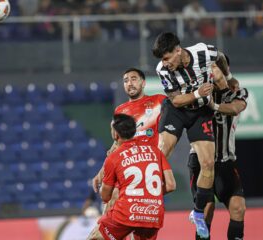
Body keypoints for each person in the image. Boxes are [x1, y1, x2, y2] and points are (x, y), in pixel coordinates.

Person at [152, 32, 231, 238]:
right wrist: (198, 93)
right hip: (177, 111)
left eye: (167, 57)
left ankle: (197, 212)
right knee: (163, 150)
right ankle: (147, 196)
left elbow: (220, 56)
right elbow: (176, 100)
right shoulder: (162, 70)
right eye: (162, 59)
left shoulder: (204, 51)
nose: (164, 63)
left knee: (208, 164)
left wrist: (228, 77)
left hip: (201, 113)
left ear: (178, 50)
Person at [92, 68, 176, 204]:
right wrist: (101, 172)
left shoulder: (159, 101)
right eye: (126, 81)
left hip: (148, 164)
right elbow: (117, 144)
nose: (129, 83)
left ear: (143, 83)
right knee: (112, 201)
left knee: (118, 199)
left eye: (133, 79)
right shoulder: (120, 110)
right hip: (128, 164)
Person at [188, 57, 248, 240]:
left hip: (226, 162)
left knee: (238, 208)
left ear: (224, 69)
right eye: (208, 67)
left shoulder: (238, 92)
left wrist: (214, 106)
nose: (211, 70)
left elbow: (236, 108)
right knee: (207, 210)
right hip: (201, 161)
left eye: (214, 66)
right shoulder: (200, 94)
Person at [89, 114, 168, 240]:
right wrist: (148, 197)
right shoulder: (155, 151)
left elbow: (105, 196)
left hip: (126, 212)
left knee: (95, 237)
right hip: (153, 213)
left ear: (115, 134)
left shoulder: (114, 157)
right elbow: (171, 185)